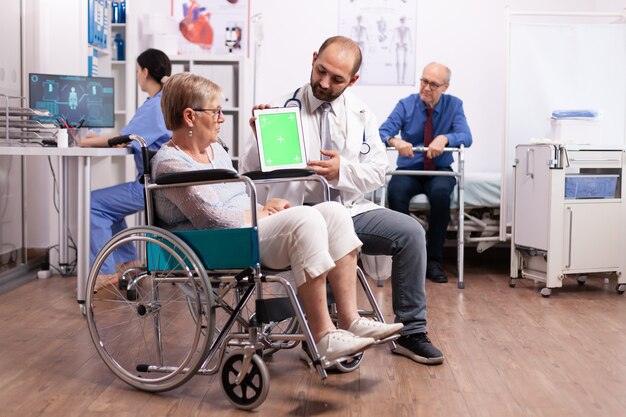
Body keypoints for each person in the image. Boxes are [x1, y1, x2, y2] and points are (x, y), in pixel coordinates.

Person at [152, 72, 403, 363]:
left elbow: (235, 195)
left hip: (241, 233)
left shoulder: (214, 151)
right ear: (190, 116)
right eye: (216, 111)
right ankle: (323, 335)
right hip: (216, 245)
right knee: (305, 220)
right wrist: (260, 211)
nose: (221, 118)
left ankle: (350, 319)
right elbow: (212, 218)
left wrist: (266, 203)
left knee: (333, 213)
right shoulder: (171, 163)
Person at [240, 36, 444, 365]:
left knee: (410, 232)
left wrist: (341, 172)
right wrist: (256, 139)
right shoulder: (279, 109)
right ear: (312, 58)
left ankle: (412, 333)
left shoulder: (362, 113)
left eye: (337, 79)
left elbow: (379, 171)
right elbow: (248, 174)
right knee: (317, 229)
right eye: (321, 71)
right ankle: (322, 332)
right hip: (298, 214)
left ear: (353, 80)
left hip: (349, 210)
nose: (324, 83)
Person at [81, 48, 172, 290]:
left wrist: (85, 141)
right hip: (164, 183)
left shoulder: (155, 105)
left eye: (136, 72)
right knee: (109, 206)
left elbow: (124, 137)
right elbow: (128, 137)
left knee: (93, 203)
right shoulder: (165, 100)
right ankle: (127, 263)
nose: (136, 77)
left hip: (153, 186)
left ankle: (105, 272)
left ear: (144, 72)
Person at [379, 62, 472, 284]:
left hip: (439, 169)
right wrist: (395, 140)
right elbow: (382, 131)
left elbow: (466, 137)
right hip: (409, 168)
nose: (427, 87)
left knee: (441, 196)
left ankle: (433, 260)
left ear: (445, 87)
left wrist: (445, 138)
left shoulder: (454, 105)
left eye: (433, 84)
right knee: (396, 194)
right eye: (424, 81)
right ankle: (404, 259)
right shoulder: (406, 105)